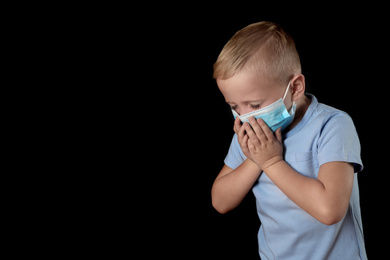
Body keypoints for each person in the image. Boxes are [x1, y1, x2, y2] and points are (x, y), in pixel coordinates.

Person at [211, 21, 367, 259]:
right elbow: (220, 201)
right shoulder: (251, 132)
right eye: (234, 106)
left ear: (295, 88)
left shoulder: (332, 125)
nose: (245, 115)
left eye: (254, 105)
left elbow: (330, 210)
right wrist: (255, 160)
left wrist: (272, 162)